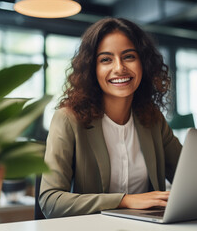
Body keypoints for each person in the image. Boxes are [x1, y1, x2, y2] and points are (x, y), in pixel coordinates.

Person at [39, 17, 182, 218]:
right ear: (92, 69)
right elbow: (50, 201)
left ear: (144, 63)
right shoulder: (68, 119)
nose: (119, 68)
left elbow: (191, 180)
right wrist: (125, 201)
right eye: (106, 59)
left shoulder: (153, 119)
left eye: (129, 56)